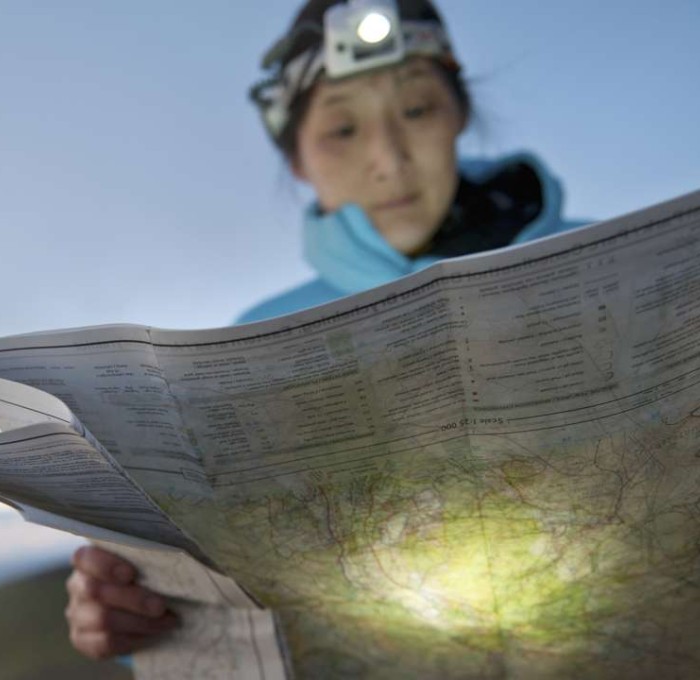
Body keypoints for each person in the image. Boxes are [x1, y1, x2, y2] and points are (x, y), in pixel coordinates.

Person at [65, 0, 586, 662]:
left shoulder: (635, 259)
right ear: (298, 163)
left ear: (459, 117)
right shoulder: (253, 344)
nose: (390, 160)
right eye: (342, 129)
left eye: (418, 110)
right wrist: (130, 610)